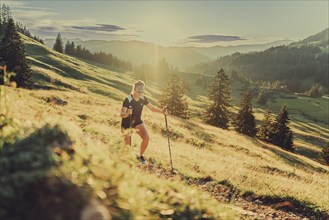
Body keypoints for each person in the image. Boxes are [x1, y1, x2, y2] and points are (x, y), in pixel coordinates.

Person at [120, 80, 166, 164]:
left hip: (137, 122)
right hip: (126, 123)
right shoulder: (128, 99)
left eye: (142, 90)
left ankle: (140, 156)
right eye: (139, 90)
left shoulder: (143, 98)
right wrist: (127, 113)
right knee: (128, 147)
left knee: (146, 138)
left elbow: (152, 108)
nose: (140, 92)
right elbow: (122, 114)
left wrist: (162, 111)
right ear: (134, 89)